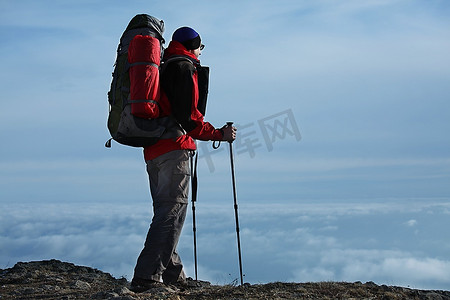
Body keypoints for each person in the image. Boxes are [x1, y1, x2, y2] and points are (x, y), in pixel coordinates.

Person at [131, 26, 236, 292]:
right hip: (174, 149)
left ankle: (172, 275)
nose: (201, 52)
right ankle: (147, 276)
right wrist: (219, 134)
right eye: (201, 47)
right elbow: (190, 118)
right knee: (172, 212)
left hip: (154, 149)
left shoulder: (164, 66)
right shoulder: (184, 69)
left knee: (167, 211)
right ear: (194, 46)